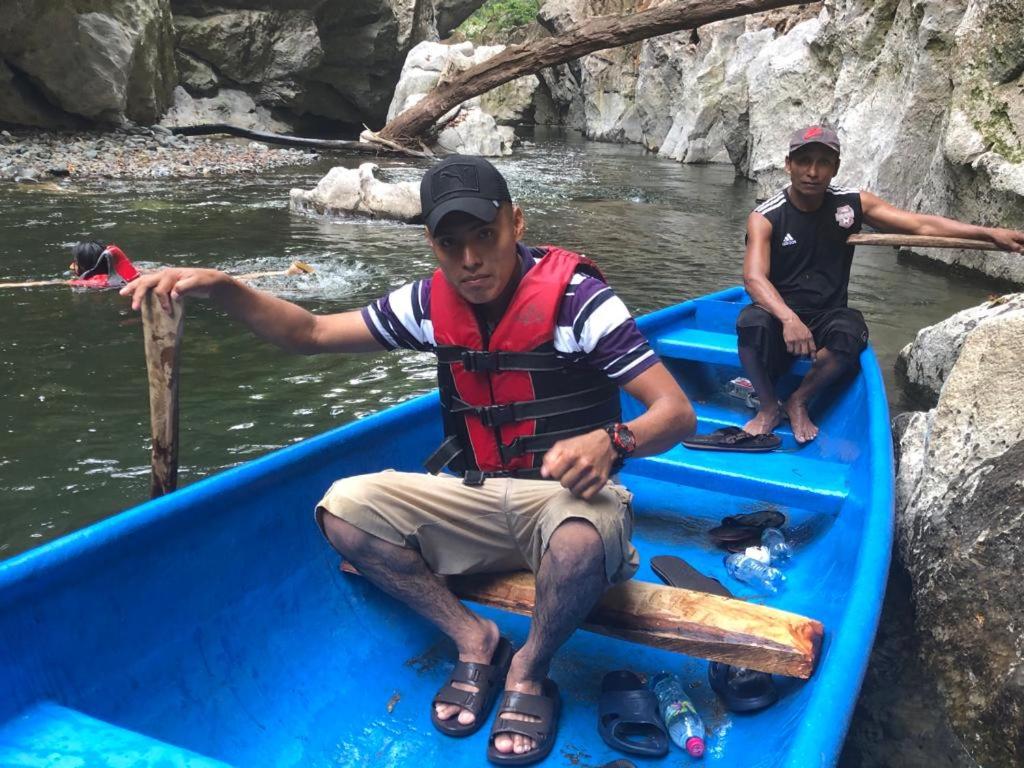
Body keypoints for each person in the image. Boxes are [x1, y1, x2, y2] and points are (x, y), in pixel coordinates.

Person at [121, 155, 696, 765]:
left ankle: (530, 668)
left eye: (485, 236)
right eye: (451, 245)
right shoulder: (427, 302)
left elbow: (676, 413)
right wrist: (222, 287)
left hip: (566, 503)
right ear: (432, 245)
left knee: (579, 543)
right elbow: (309, 333)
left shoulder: (579, 300)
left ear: (517, 223)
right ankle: (475, 638)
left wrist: (614, 440)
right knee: (343, 510)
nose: (470, 260)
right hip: (476, 493)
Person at [739, 125, 1024, 443]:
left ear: (836, 167)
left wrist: (989, 233)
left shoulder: (850, 204)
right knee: (750, 323)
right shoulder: (766, 216)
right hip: (780, 311)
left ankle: (799, 399)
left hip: (826, 313)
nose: (813, 172)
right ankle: (768, 406)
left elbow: (921, 225)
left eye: (823, 163)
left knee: (852, 332)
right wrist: (789, 319)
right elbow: (753, 278)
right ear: (788, 164)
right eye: (804, 161)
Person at [69, 241, 140, 289]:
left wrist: (69, 282)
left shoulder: (97, 280)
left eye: (76, 262)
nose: (72, 265)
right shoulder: (120, 272)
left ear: (84, 266)